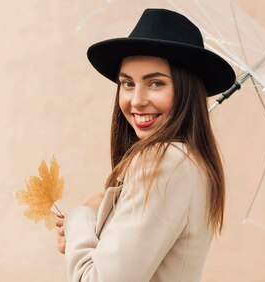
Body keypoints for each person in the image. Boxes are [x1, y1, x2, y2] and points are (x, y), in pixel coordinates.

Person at [54, 8, 236, 281]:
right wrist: (85, 236)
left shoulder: (164, 161)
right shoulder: (189, 161)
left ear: (186, 90)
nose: (137, 100)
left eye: (155, 83)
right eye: (127, 84)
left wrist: (82, 217)